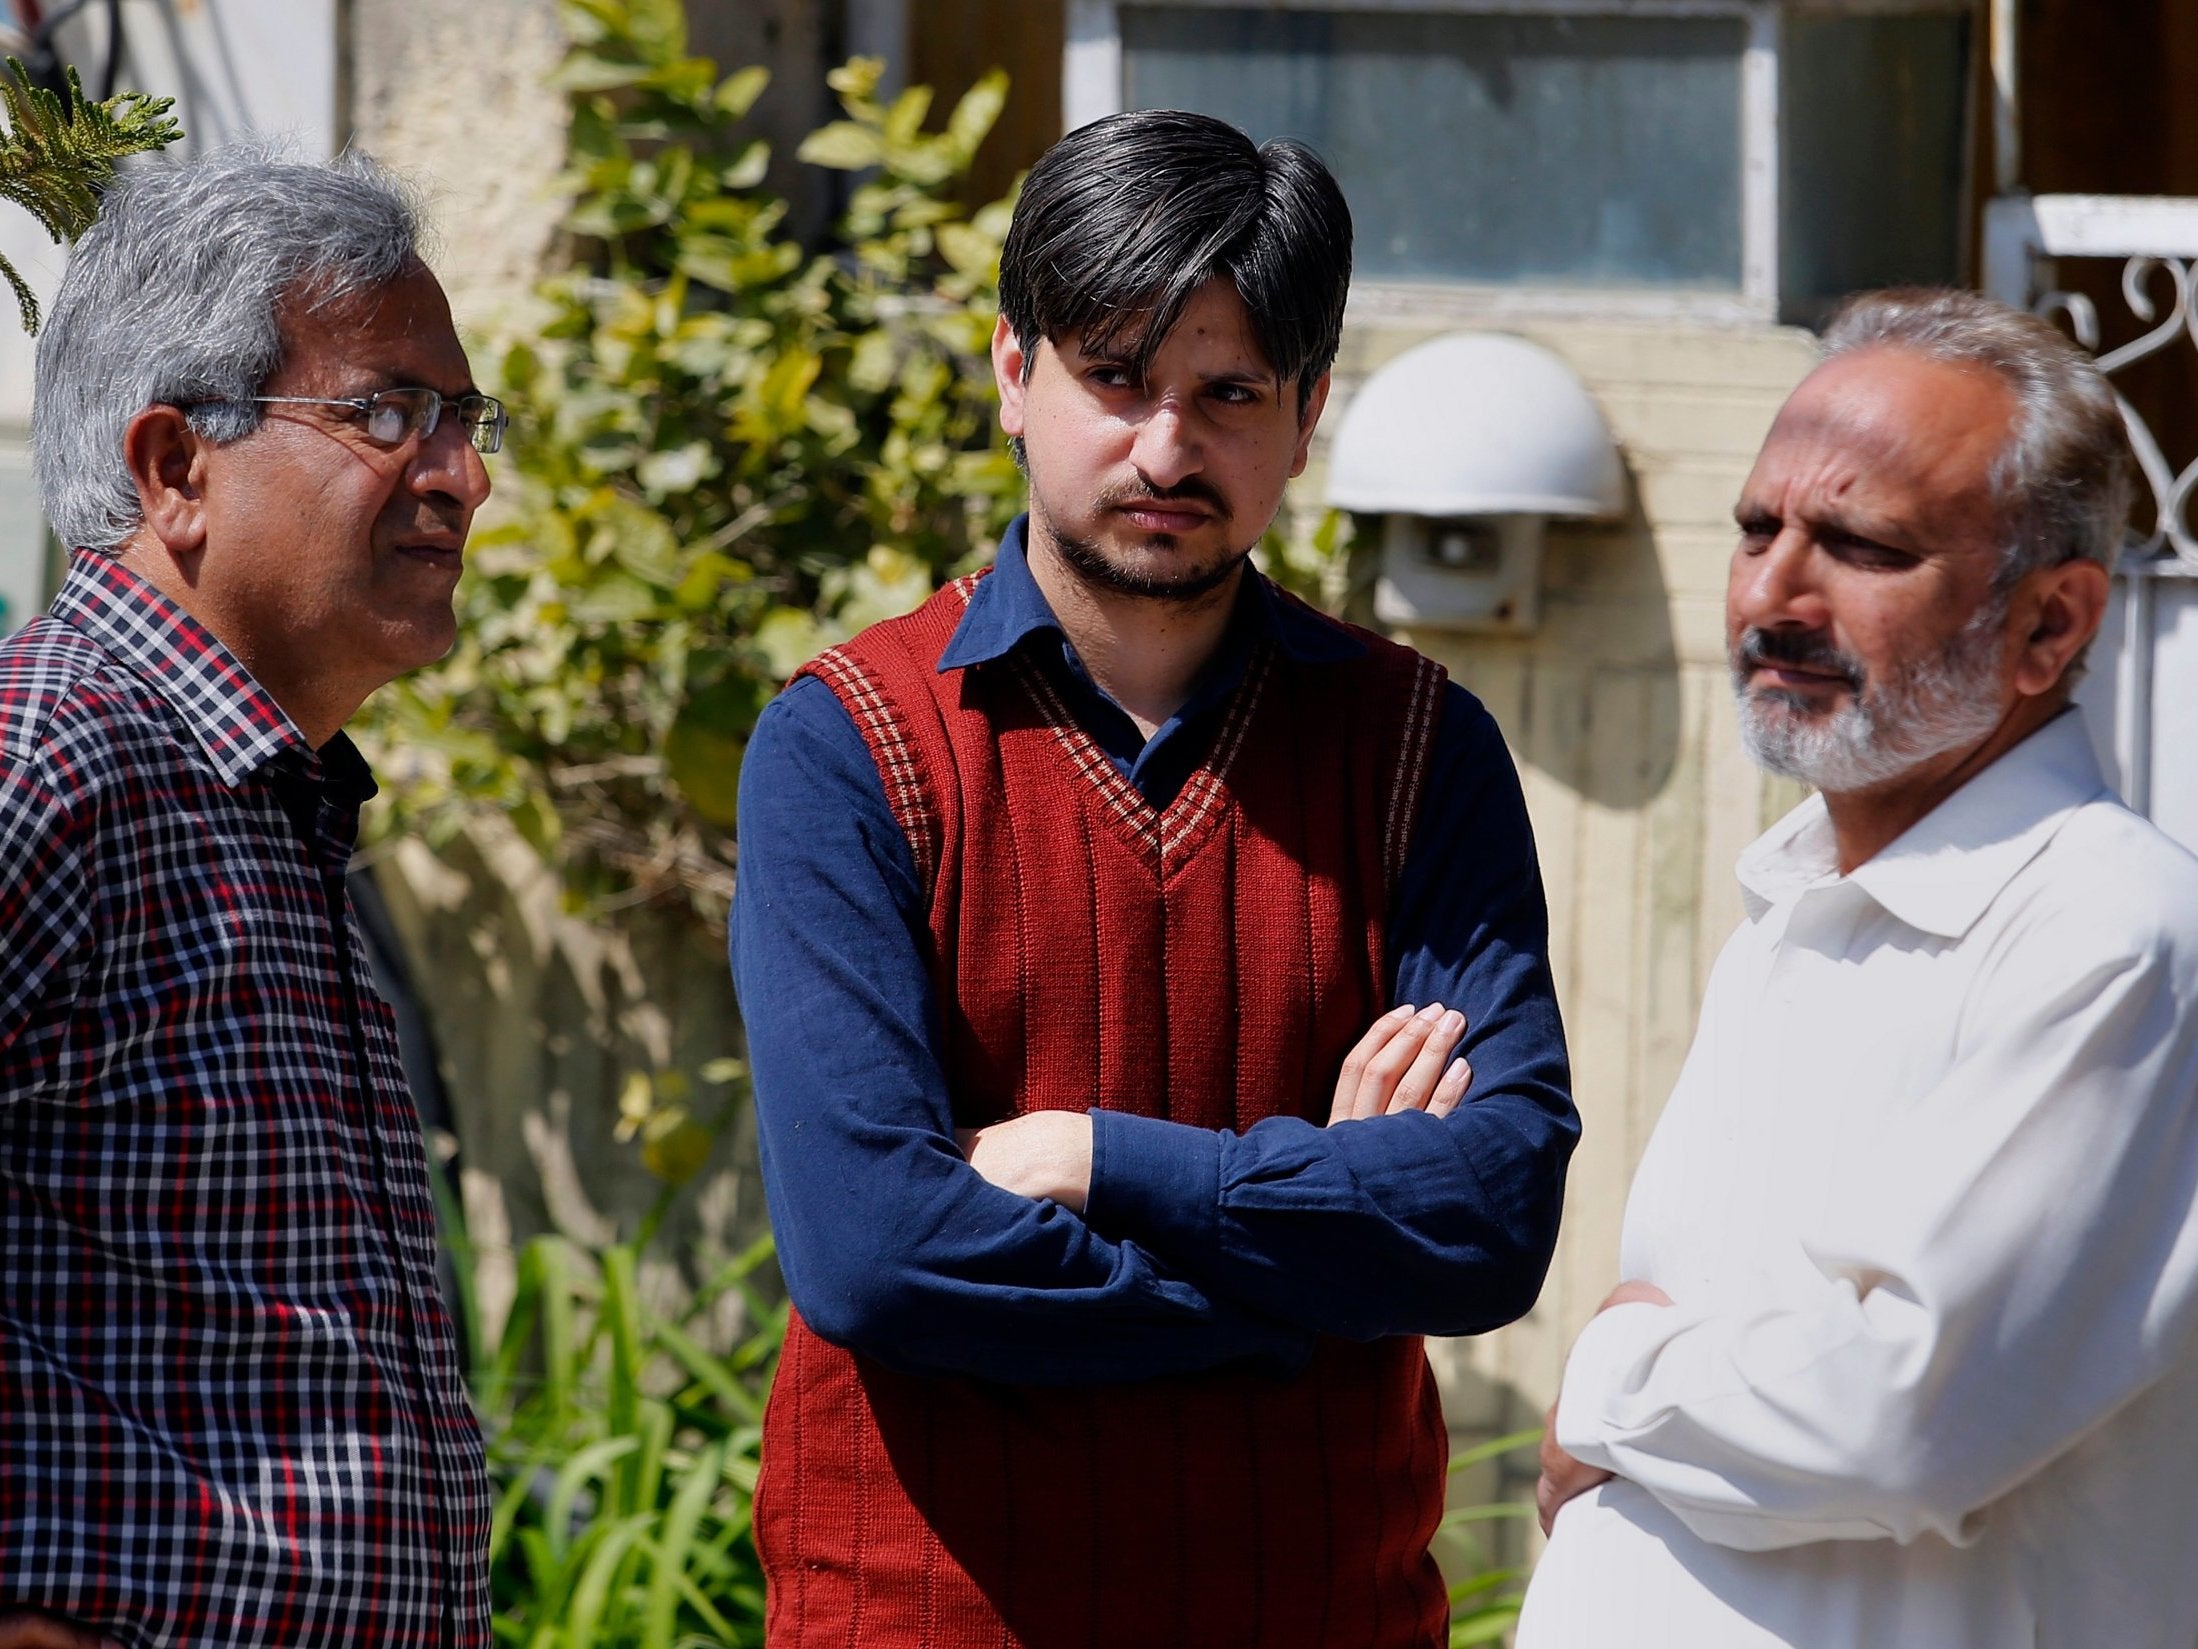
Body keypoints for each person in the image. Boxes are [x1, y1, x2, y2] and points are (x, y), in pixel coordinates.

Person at [730, 109, 1576, 1648]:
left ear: (1306, 412)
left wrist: (1102, 1158)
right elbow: (875, 1254)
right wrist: (1315, 1249)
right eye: (1114, 377)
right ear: (1010, 372)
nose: (1167, 447)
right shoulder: (851, 745)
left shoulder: (1415, 750)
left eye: (1228, 392)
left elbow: (1491, 1218)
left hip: (1319, 1609)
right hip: (930, 1618)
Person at [1519, 288, 2198, 1648]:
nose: (1773, 593)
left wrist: (1610, 1376)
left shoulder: (2112, 937)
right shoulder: (1795, 899)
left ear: (2048, 627)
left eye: (1859, 545)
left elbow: (1904, 1413)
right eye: (1756, 527)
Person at [0, 149, 500, 1648]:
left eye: (466, 423)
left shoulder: (266, 800)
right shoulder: (51, 748)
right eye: (386, 414)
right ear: (175, 468)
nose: (458, 477)